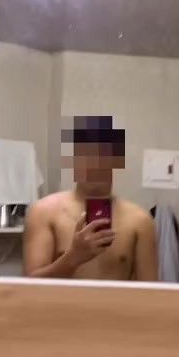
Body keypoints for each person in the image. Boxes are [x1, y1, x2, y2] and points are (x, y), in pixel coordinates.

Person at [23, 119, 158, 281]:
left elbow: (149, 291)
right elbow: (30, 286)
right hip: (62, 299)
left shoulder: (140, 220)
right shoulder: (43, 212)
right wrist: (73, 257)